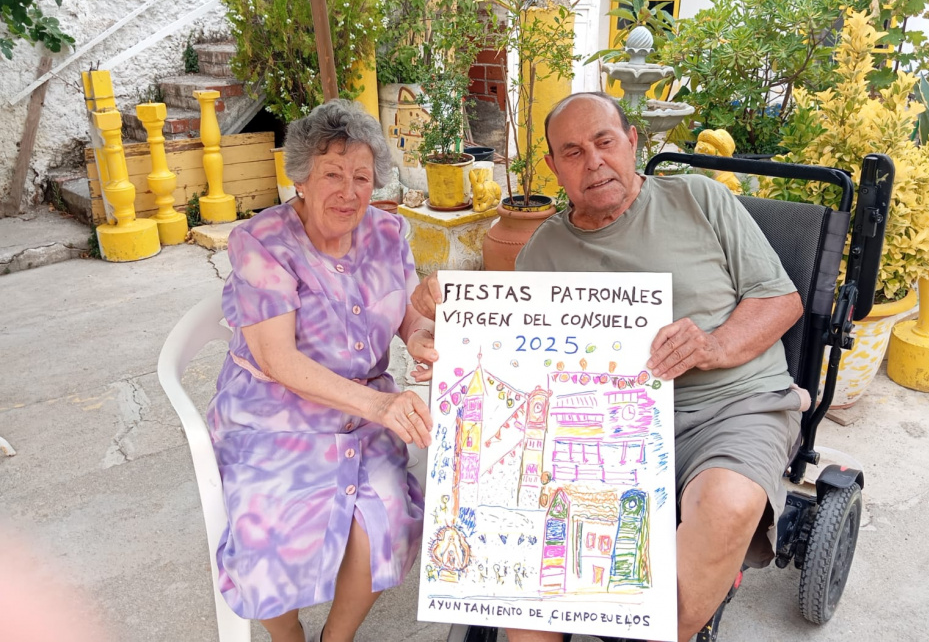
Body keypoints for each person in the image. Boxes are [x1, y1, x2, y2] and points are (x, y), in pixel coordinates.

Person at [409, 92, 807, 642]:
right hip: (596, 421)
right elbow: (513, 352)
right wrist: (446, 342)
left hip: (728, 406)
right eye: (571, 152)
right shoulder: (542, 252)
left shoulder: (698, 198)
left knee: (727, 506)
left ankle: (668, 628)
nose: (592, 161)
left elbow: (780, 300)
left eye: (604, 141)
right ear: (552, 168)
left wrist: (714, 346)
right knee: (527, 594)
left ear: (632, 143)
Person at [207, 99, 436, 642]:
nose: (350, 191)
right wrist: (381, 405)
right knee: (267, 535)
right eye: (332, 174)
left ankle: (337, 638)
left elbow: (403, 309)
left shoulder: (387, 232)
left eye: (362, 176)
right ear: (302, 180)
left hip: (360, 417)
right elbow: (276, 359)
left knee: (386, 520)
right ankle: (286, 636)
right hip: (273, 415)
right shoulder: (261, 242)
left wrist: (421, 331)